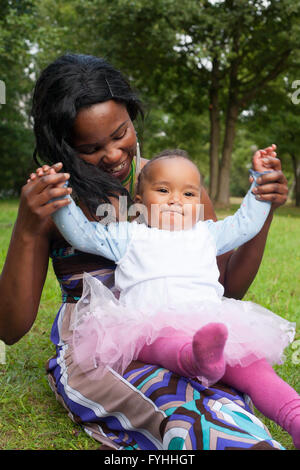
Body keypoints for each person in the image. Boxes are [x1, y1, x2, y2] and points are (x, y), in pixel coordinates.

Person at [0, 53, 291, 450]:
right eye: (90, 147)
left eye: (121, 133)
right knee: (174, 406)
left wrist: (264, 209)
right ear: (63, 145)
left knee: (222, 394)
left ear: (133, 117)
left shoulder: (174, 183)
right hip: (99, 346)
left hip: (186, 327)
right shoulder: (56, 202)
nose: (115, 155)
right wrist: (28, 228)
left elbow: (224, 289)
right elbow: (10, 328)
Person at [49, 148, 299, 449]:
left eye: (189, 194)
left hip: (208, 323)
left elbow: (246, 224)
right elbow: (84, 235)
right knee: (160, 343)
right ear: (140, 203)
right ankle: (193, 359)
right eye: (164, 190)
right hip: (149, 323)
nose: (176, 200)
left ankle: (294, 418)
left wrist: (261, 182)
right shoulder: (129, 236)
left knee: (254, 367)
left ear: (199, 203)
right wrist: (60, 201)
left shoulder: (207, 234)